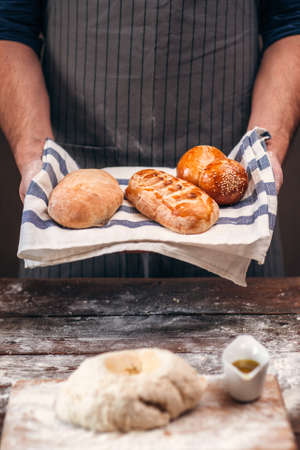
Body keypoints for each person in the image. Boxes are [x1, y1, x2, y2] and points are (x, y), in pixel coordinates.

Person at [0, 0, 299, 278]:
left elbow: (290, 24)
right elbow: (10, 28)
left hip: (231, 218)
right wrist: (33, 155)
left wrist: (262, 150)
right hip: (71, 209)